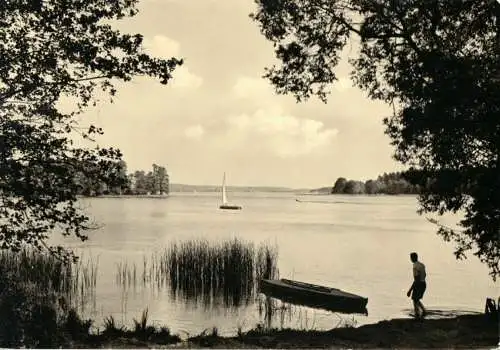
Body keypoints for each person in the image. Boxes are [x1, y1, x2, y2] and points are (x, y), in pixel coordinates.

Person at [406, 252, 427, 319]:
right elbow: (425, 275)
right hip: (424, 283)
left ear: (412, 258)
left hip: (419, 284)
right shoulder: (422, 265)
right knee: (416, 299)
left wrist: (410, 290)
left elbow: (416, 280)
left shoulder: (415, 266)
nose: (410, 259)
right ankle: (424, 311)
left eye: (411, 258)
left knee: (415, 300)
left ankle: (417, 314)